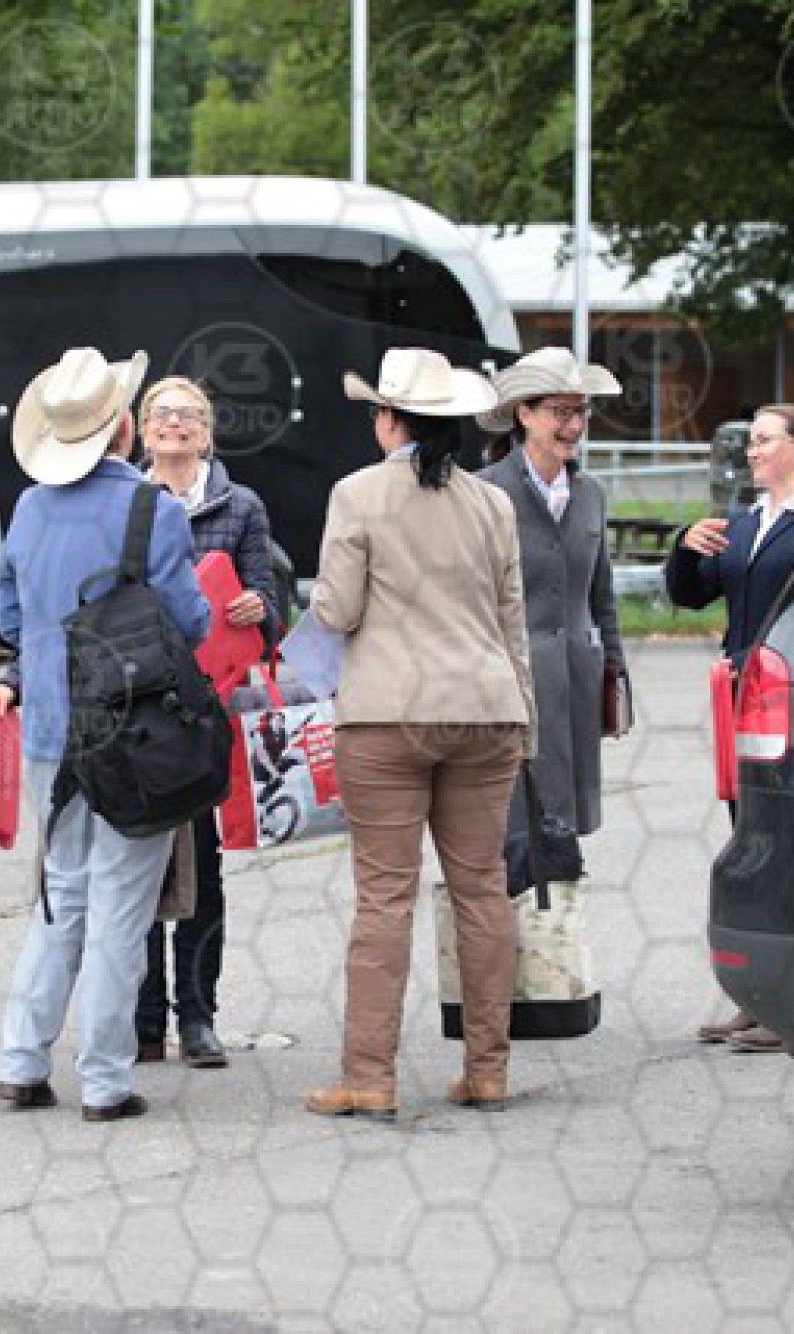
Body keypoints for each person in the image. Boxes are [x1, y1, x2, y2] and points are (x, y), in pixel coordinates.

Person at [303, 348, 536, 1121]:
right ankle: (488, 1070)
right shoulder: (492, 503)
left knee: (385, 898)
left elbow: (337, 609)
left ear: (389, 420)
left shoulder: (357, 494)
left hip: (388, 712)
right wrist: (526, 721)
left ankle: (369, 1077)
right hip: (486, 709)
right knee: (482, 890)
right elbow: (512, 621)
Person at [0, 347, 212, 1123]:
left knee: (61, 895)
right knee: (122, 904)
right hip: (132, 733)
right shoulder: (155, 511)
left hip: (53, 730)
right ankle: (106, 1079)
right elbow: (189, 623)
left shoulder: (29, 508)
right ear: (122, 427)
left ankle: (21, 1060)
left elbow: (9, 616)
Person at [665, 402, 794, 1055]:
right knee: (752, 840)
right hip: (744, 699)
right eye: (751, 440)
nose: (751, 451)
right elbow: (691, 593)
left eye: (765, 440)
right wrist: (685, 549)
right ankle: (760, 996)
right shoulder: (746, 522)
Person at [130, 374, 278, 1070]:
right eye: (162, 413)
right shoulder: (125, 499)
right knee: (137, 865)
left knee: (202, 867)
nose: (176, 423)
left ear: (208, 431)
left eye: (189, 414)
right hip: (137, 702)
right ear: (142, 428)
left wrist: (258, 606)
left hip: (208, 706)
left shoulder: (240, 504)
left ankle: (197, 1017)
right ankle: (142, 1021)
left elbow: (269, 597)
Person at [475, 347, 627, 881]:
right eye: (561, 412)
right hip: (508, 689)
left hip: (577, 685)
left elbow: (602, 597)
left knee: (563, 836)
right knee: (511, 833)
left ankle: (552, 922)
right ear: (524, 413)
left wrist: (615, 674)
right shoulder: (484, 491)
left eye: (581, 412)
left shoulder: (591, 494)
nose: (575, 426)